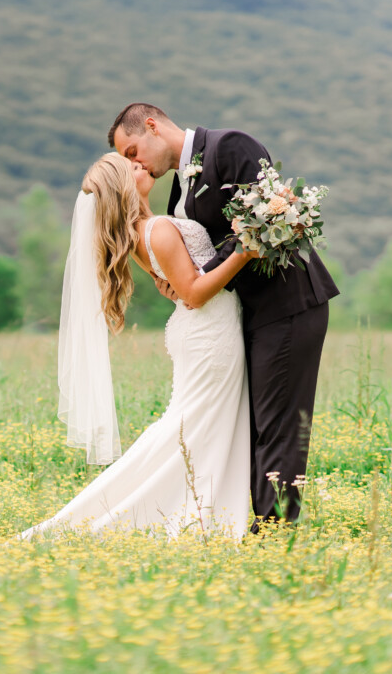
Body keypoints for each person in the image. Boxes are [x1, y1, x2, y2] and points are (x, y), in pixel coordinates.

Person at [110, 103, 338, 525]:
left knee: (278, 424)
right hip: (243, 315)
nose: (135, 164)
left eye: (132, 151)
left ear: (153, 126)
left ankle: (275, 530)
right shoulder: (179, 191)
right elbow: (200, 254)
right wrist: (177, 283)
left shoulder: (229, 147)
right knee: (252, 423)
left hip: (286, 304)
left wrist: (194, 284)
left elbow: (264, 223)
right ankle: (255, 520)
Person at [22, 152, 255, 539]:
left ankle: (198, 509)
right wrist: (245, 250)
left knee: (195, 426)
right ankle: (178, 513)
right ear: (122, 187)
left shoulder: (139, 232)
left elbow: (177, 287)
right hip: (208, 331)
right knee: (191, 428)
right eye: (130, 167)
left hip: (203, 332)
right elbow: (194, 294)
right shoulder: (157, 230)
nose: (141, 165)